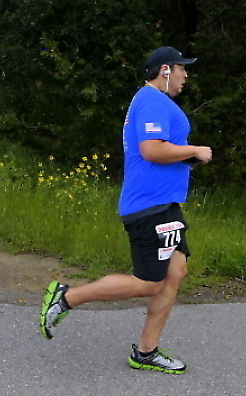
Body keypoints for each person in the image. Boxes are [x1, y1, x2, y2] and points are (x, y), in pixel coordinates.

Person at [40, 46, 213, 374]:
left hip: (165, 205)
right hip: (150, 206)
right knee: (150, 282)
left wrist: (186, 158)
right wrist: (195, 150)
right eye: (181, 68)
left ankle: (146, 352)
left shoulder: (158, 102)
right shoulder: (151, 99)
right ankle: (66, 298)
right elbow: (151, 150)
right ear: (165, 70)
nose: (185, 74)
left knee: (175, 272)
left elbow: (159, 152)